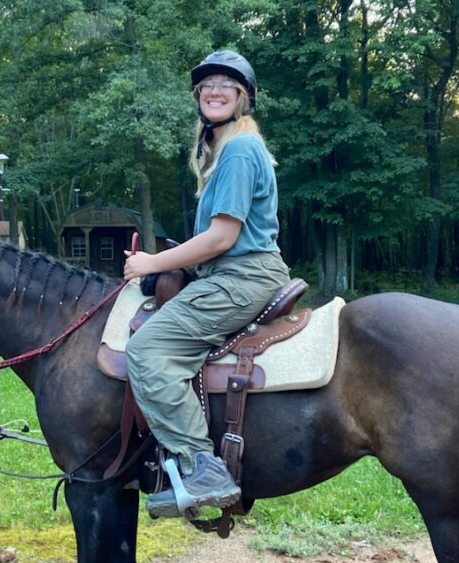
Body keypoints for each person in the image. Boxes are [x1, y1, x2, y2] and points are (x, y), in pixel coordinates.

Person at [124, 50, 290, 518]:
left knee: (148, 349)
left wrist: (151, 260)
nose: (215, 91)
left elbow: (222, 237)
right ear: (199, 96)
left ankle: (203, 467)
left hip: (243, 276)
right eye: (207, 85)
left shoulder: (238, 150)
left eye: (227, 84)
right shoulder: (228, 151)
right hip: (235, 272)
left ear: (243, 97)